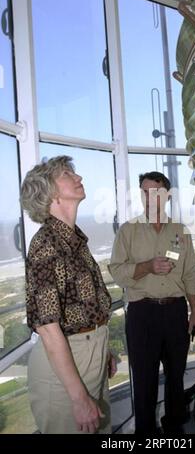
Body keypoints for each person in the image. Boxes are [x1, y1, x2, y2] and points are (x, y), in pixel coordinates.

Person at [20, 155, 116, 434]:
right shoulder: (46, 244)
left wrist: (101, 347)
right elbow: (48, 328)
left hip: (89, 353)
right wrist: (78, 397)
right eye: (67, 174)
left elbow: (85, 306)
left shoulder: (75, 239)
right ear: (49, 192)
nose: (79, 178)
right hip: (64, 367)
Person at [109, 171, 195, 435]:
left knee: (176, 377)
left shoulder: (180, 232)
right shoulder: (128, 231)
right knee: (144, 380)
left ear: (167, 196)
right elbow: (116, 271)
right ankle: (145, 434)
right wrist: (147, 266)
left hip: (175, 311)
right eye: (144, 192)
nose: (149, 198)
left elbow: (190, 273)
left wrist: (194, 312)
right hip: (142, 314)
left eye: (155, 192)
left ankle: (174, 430)